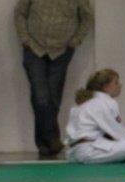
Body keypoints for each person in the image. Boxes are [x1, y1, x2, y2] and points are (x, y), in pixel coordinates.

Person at [15, 0, 93, 158]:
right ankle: (52, 138)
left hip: (62, 51)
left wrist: (76, 41)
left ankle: (44, 144)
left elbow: (87, 17)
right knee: (41, 97)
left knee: (53, 98)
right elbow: (20, 13)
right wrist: (25, 39)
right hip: (34, 49)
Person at [66, 69, 125, 164]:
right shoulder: (105, 102)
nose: (120, 85)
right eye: (116, 82)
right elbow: (118, 133)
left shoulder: (84, 104)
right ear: (105, 87)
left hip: (74, 154)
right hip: (90, 152)